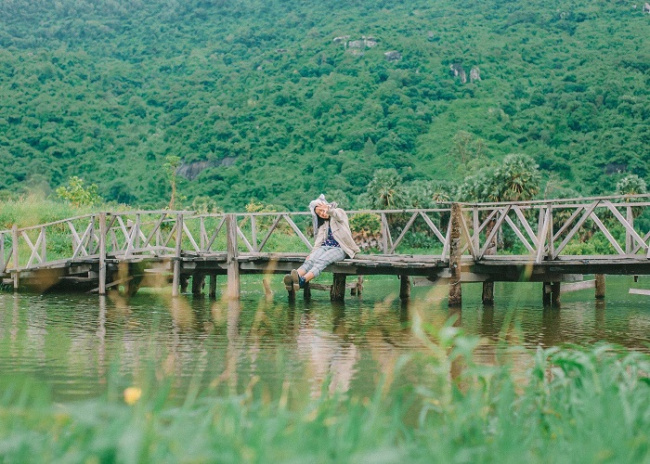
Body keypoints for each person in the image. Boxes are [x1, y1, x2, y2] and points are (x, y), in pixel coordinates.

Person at [284, 195, 360, 292]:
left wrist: (328, 209)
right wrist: (311, 254)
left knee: (321, 260)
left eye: (322, 210)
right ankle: (293, 279)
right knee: (310, 260)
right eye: (319, 213)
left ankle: (302, 281)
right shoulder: (323, 225)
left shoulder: (339, 213)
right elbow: (318, 242)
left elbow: (336, 214)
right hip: (325, 247)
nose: (322, 214)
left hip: (340, 249)